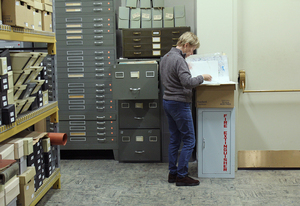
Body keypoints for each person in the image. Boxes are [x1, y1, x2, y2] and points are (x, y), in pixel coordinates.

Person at [160, 31, 212, 186]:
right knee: (189, 140)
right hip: (179, 103)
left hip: (168, 101)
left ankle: (173, 173)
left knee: (175, 139)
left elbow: (171, 79)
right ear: (186, 45)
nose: (192, 53)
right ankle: (182, 176)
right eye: (192, 49)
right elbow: (187, 82)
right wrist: (202, 77)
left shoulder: (166, 57)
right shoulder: (179, 59)